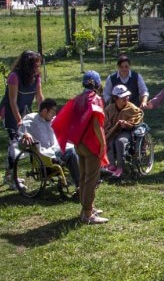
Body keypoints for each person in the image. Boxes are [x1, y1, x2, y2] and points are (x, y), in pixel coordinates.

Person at [52, 71, 108, 224]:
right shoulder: (95, 99)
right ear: (97, 84)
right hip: (91, 144)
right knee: (92, 179)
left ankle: (85, 208)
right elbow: (96, 124)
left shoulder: (78, 99)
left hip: (79, 144)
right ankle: (88, 214)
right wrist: (102, 143)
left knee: (83, 177)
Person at [1, 50, 44, 189]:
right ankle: (10, 178)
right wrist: (19, 121)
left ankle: (9, 174)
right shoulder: (14, 77)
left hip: (25, 111)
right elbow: (12, 101)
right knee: (14, 144)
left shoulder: (36, 77)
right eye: (36, 64)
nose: (38, 67)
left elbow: (39, 97)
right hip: (10, 112)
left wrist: (44, 113)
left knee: (25, 144)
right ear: (28, 65)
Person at [18, 98, 80, 187]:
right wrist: (25, 134)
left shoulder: (52, 119)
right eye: (52, 112)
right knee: (71, 153)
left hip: (56, 149)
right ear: (44, 111)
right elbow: (21, 139)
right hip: (45, 154)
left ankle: (90, 176)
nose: (54, 114)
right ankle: (80, 185)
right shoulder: (31, 119)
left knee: (78, 150)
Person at [103, 84, 144, 179]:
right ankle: (111, 165)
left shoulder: (132, 108)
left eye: (127, 96)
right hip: (113, 132)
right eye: (123, 97)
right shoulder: (109, 109)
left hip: (127, 132)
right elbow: (106, 123)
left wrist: (127, 124)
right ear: (116, 98)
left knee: (120, 141)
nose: (126, 98)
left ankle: (120, 167)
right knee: (109, 141)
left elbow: (136, 121)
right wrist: (113, 128)